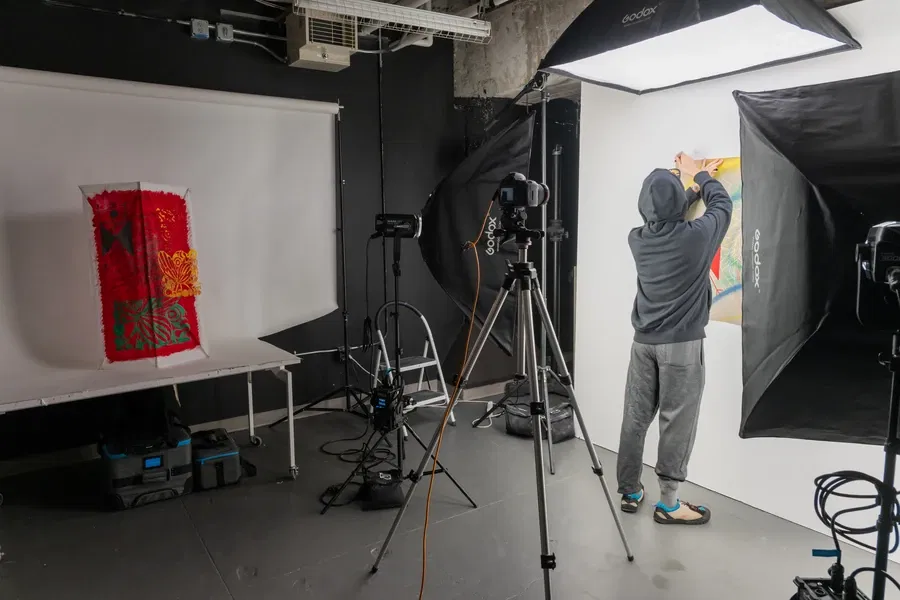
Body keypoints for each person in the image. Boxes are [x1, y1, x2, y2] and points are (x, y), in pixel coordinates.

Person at [616, 152, 732, 525]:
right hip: (681, 346)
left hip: (642, 343)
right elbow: (723, 205)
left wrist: (691, 186)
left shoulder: (637, 239)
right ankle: (668, 504)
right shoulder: (695, 238)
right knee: (676, 422)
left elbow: (664, 213)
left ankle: (630, 490)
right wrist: (700, 175)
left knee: (635, 417)